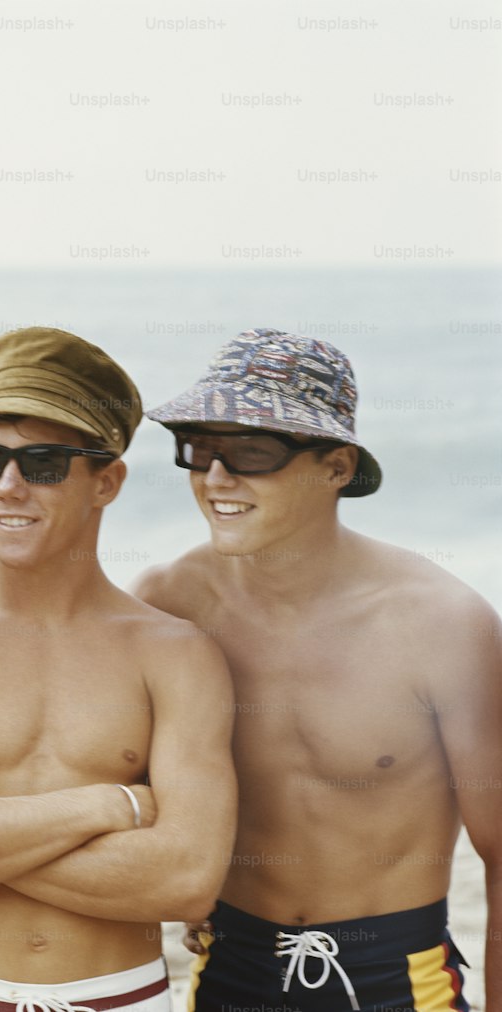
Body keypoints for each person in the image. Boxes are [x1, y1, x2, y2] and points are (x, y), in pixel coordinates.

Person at [0, 327, 237, 1012]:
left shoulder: (176, 655)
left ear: (107, 481)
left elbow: (186, 880)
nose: (8, 486)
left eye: (45, 463)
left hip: (121, 999)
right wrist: (107, 807)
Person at [132, 328, 502, 1012]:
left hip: (395, 978)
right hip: (228, 967)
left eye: (250, 452)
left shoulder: (443, 624)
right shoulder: (167, 603)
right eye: (199, 449)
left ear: (336, 467)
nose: (216, 478)